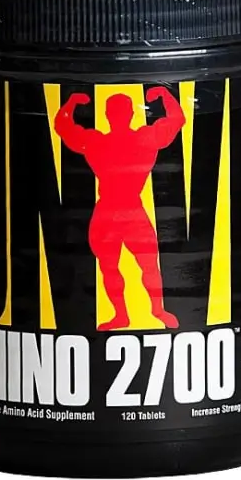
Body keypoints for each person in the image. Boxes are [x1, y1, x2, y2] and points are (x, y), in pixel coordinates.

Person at [55, 86, 186, 330]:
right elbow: (176, 119)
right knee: (123, 266)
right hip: (119, 210)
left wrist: (71, 103)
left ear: (108, 115)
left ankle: (148, 311)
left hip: (119, 210)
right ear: (130, 114)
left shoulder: (102, 141)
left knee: (132, 265)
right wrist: (163, 94)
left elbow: (63, 126)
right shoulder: (139, 139)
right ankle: (131, 314)